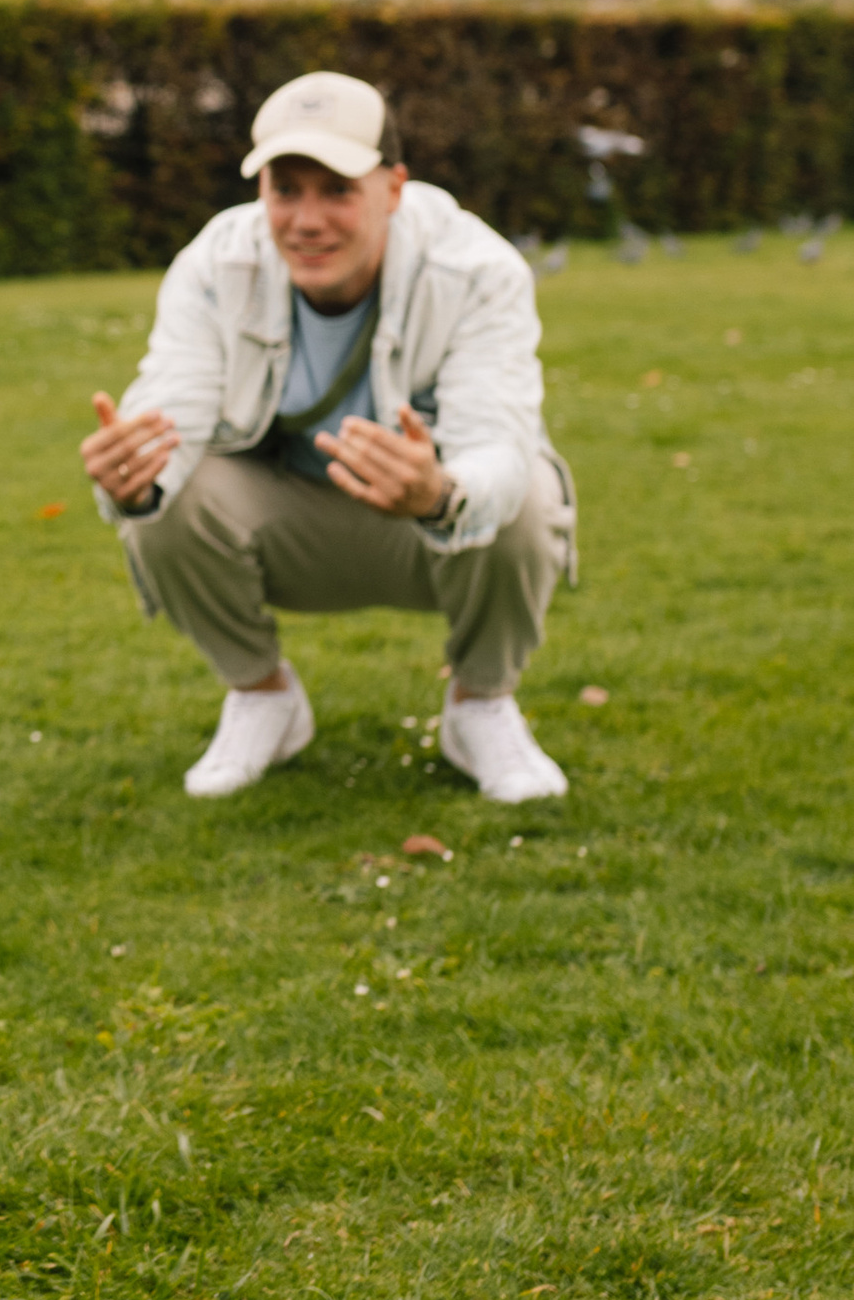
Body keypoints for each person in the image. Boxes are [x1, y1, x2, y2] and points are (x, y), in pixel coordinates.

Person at [78, 70, 574, 802]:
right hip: (289, 523)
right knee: (169, 492)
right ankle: (262, 695)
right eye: (286, 189)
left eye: (337, 190)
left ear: (394, 188)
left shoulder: (477, 268)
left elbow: (496, 440)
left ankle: (482, 705)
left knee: (523, 489)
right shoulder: (217, 261)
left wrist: (438, 491)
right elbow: (169, 407)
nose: (306, 220)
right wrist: (135, 476)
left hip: (428, 530)